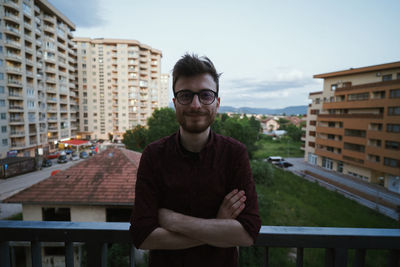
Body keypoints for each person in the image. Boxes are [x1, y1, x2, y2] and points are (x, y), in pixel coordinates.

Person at [130, 53, 261, 267]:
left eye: (205, 95)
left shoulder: (234, 154)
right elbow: (143, 236)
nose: (195, 104)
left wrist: (174, 220)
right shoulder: (154, 155)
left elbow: (247, 233)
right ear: (175, 103)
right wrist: (219, 227)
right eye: (185, 95)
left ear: (217, 103)